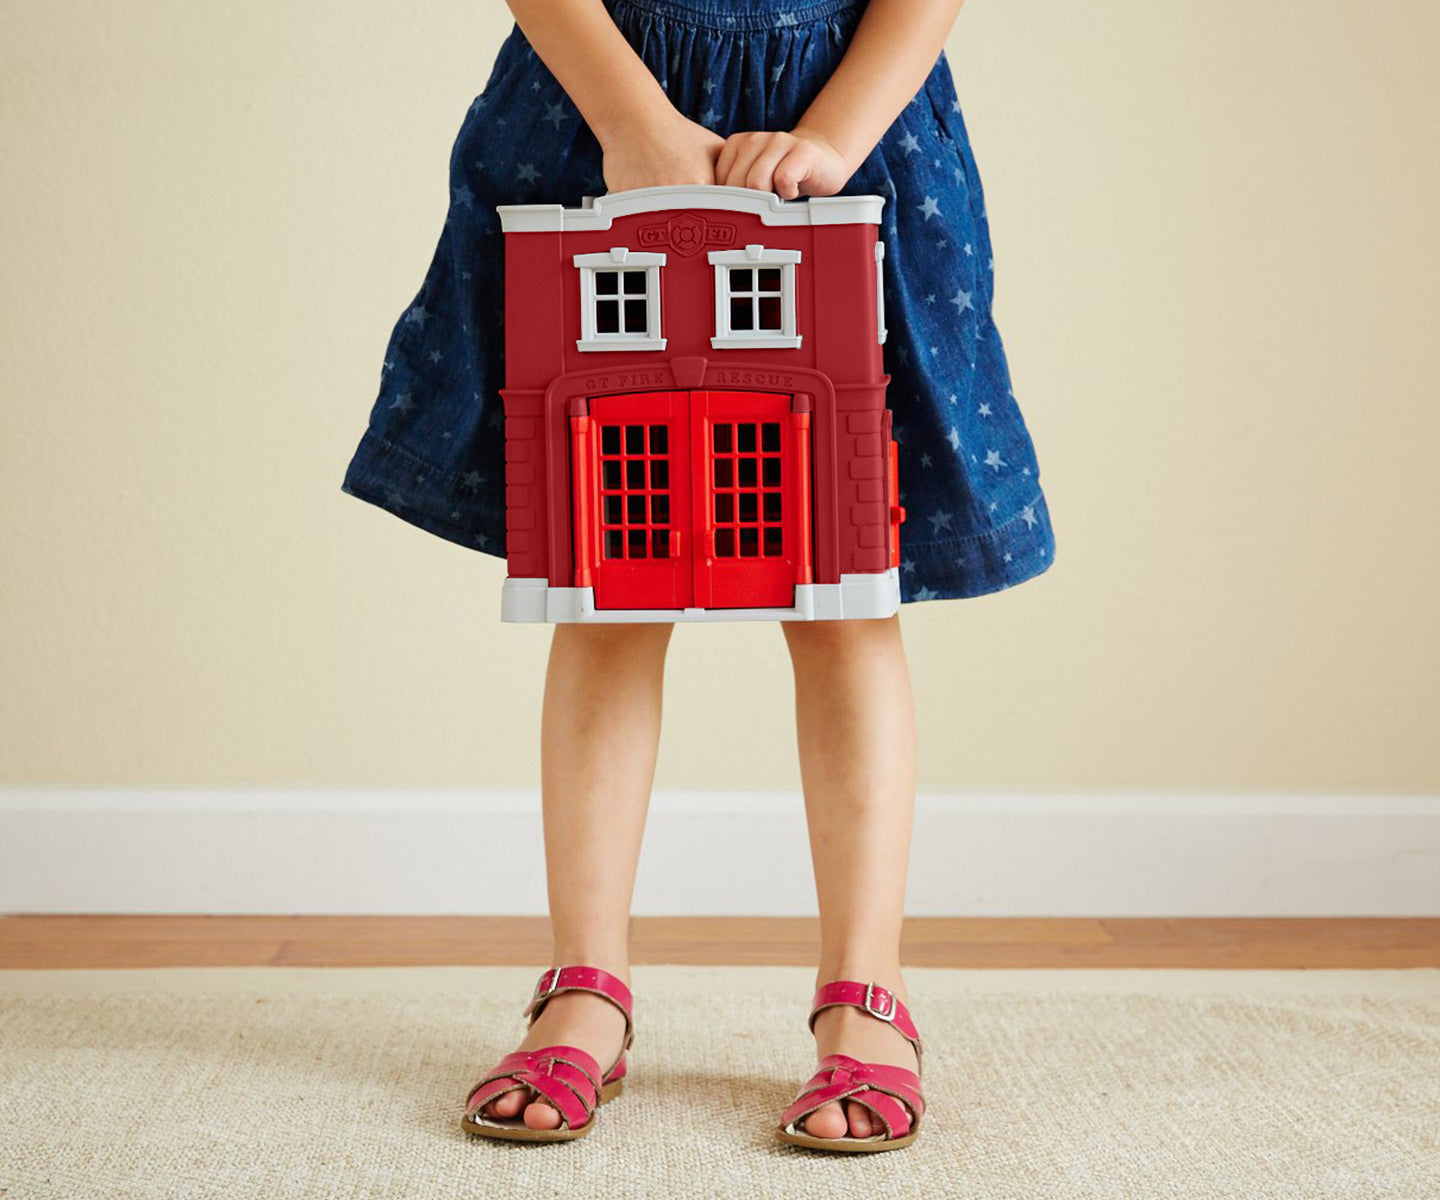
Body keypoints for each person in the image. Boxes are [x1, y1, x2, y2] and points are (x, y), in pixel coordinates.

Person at [341, 0, 1056, 1153]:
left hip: (851, 130)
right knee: (602, 587)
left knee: (846, 599)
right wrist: (631, 120)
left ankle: (866, 994)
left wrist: (833, 138)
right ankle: (584, 986)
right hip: (599, 116)